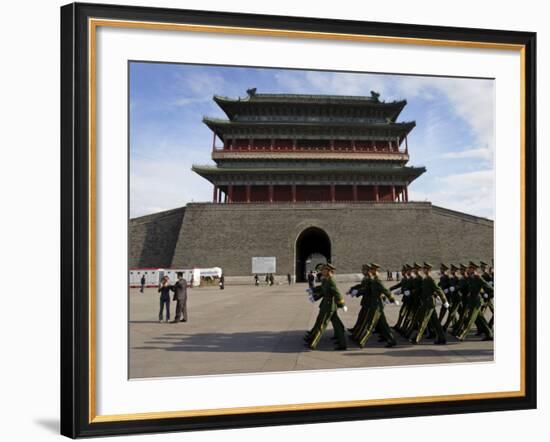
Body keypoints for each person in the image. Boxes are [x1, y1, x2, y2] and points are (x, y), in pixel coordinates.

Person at [304, 263, 348, 351]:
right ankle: (342, 343)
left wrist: (342, 305)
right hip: (326, 304)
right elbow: (322, 288)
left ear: (329, 271)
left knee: (322, 324)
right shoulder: (326, 280)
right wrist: (313, 290)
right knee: (337, 325)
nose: (322, 271)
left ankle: (313, 343)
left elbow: (337, 293)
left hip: (329, 305)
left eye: (324, 270)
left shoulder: (331, 280)